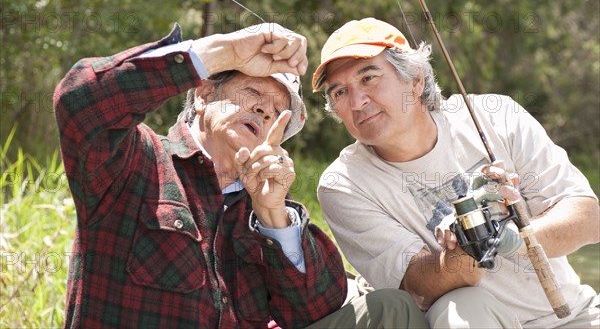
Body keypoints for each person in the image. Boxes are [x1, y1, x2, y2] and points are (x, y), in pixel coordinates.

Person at [54, 22, 427, 328]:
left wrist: (274, 218)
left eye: (279, 110)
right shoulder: (137, 160)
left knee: (391, 309)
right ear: (202, 95)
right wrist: (223, 51)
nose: (266, 110)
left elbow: (316, 313)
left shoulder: (267, 203)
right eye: (252, 91)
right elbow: (81, 100)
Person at [312, 17, 600, 328]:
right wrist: (471, 236)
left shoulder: (497, 116)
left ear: (416, 80)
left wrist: (511, 239)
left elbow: (587, 217)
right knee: (460, 304)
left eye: (368, 78)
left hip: (575, 315)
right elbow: (419, 285)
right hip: (476, 320)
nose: (357, 102)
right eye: (339, 92)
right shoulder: (342, 185)